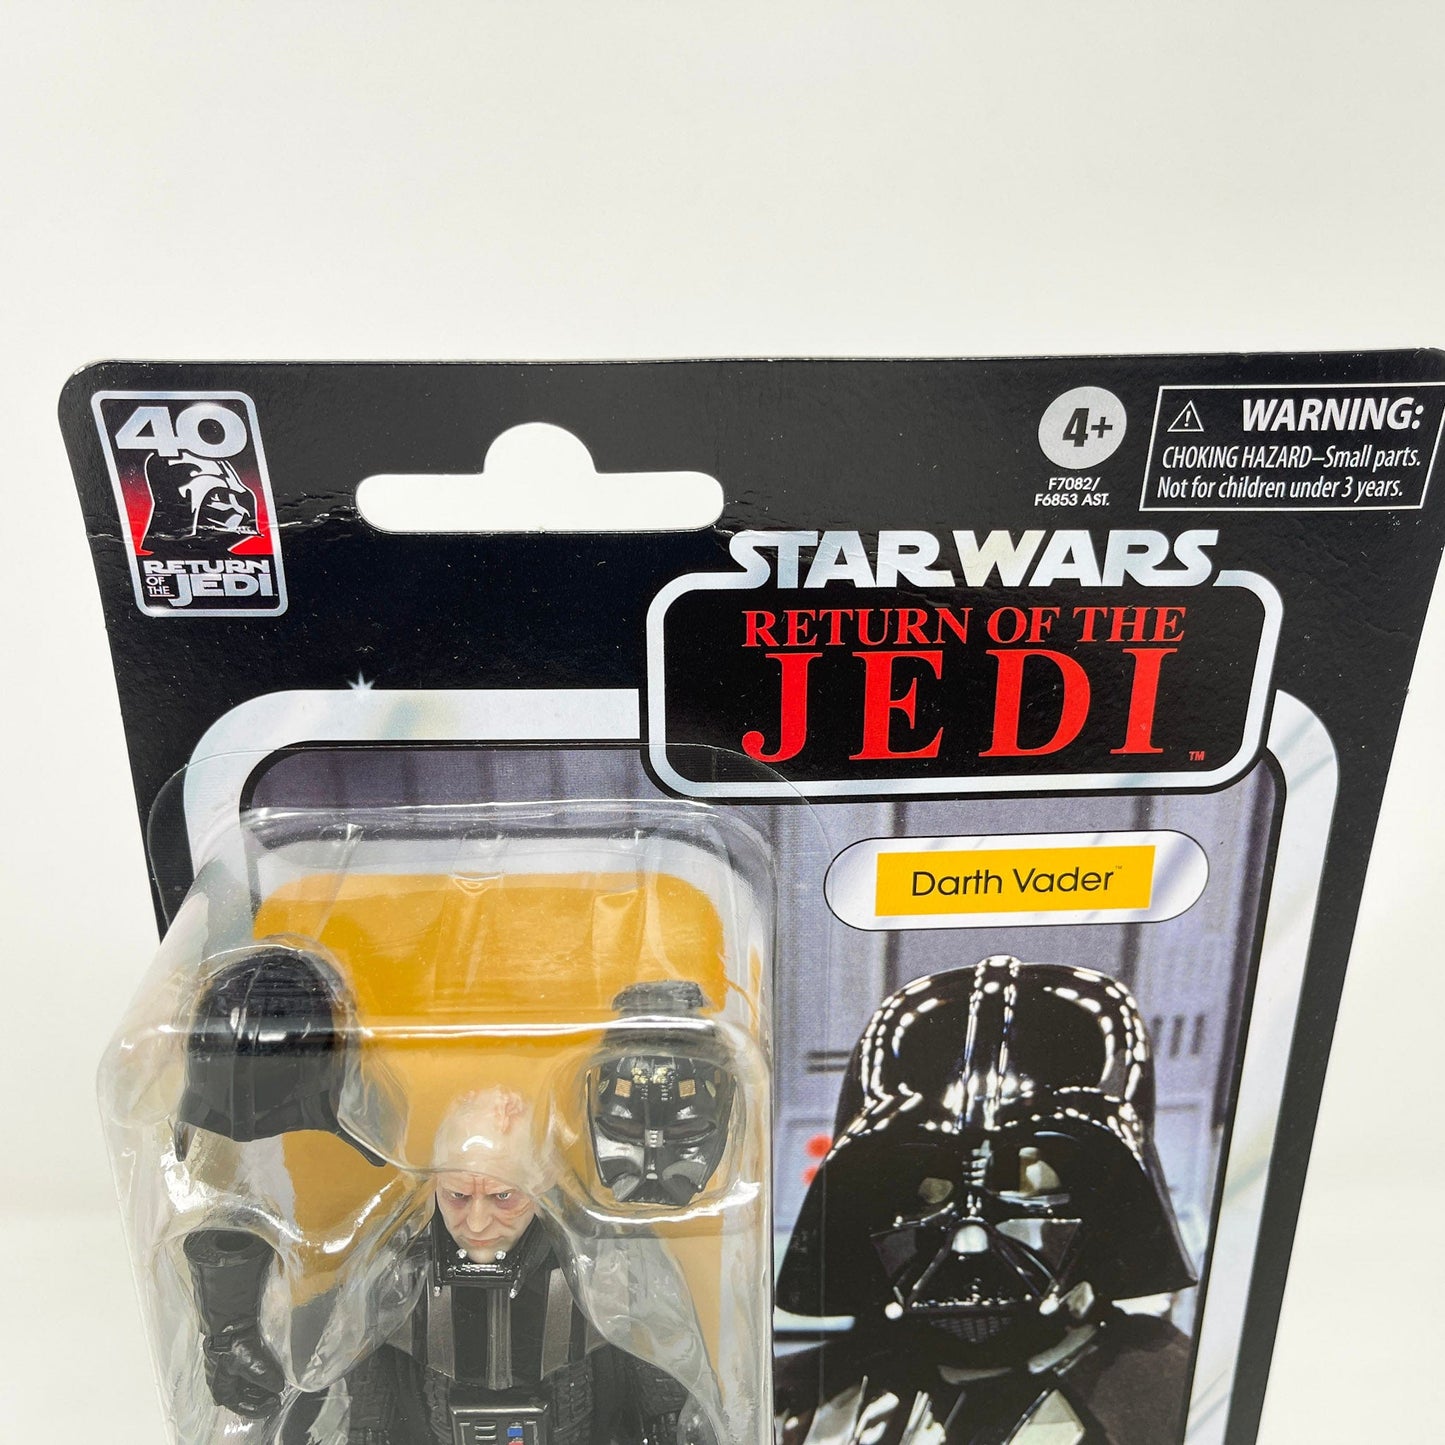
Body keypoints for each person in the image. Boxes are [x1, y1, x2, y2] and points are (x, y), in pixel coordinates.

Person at [773, 957, 1197, 1445]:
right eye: (928, 1190)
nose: (969, 1241)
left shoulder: (1169, 1399)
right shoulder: (794, 1402)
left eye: (1026, 1183)